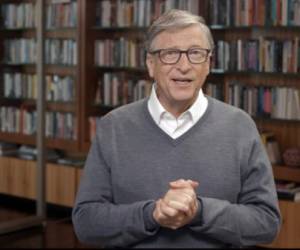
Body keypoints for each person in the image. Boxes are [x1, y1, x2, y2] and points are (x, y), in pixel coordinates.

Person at [72, 9, 281, 248]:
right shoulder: (113, 126)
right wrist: (152, 214)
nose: (184, 66)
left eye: (195, 53)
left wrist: (199, 211)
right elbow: (86, 222)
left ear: (208, 64)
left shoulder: (240, 126)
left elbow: (267, 223)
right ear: (151, 64)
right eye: (170, 54)